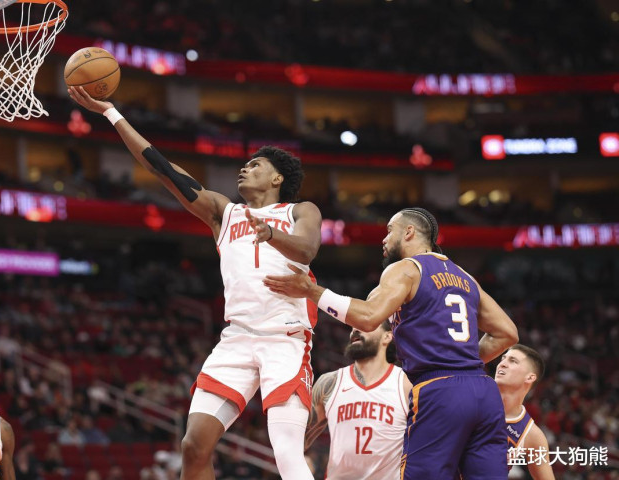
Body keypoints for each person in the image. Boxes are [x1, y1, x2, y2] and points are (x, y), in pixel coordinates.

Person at [69, 87, 322, 480]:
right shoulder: (224, 213)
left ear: (277, 177)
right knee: (193, 445)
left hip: (284, 339)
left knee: (287, 451)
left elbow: (307, 249)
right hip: (237, 338)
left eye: (254, 165)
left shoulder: (300, 210)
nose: (244, 169)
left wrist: (271, 234)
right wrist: (111, 114)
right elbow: (163, 169)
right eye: (244, 165)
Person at [264, 207, 519, 479]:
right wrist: (461, 362)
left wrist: (311, 291)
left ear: (409, 232)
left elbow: (368, 318)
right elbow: (508, 333)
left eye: (389, 231)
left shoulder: (406, 269)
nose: (384, 240)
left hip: (440, 390)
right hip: (484, 391)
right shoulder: (466, 277)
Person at [305, 319, 411, 480]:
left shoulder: (405, 384)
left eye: (365, 325)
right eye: (353, 326)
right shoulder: (329, 383)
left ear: (387, 336)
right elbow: (297, 440)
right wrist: (300, 461)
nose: (355, 329)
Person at [495, 345, 554, 480]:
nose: (502, 364)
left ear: (530, 377)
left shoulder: (531, 434)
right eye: (503, 359)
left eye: (513, 361)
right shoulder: (472, 393)